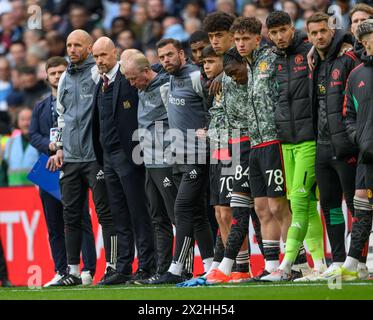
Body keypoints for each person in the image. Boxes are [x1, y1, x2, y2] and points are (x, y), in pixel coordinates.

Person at [264, 11, 327, 282]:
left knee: (300, 200)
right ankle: (321, 265)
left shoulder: (310, 50)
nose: (279, 37)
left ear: (292, 28)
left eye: (283, 31)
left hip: (309, 139)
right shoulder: (271, 59)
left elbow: (341, 41)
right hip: (285, 141)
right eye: (274, 32)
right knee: (306, 203)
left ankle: (287, 264)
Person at [53, 30, 117, 286]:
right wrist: (58, 147)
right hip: (70, 158)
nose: (71, 49)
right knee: (70, 215)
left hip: (94, 157)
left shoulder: (97, 74)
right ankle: (73, 271)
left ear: (89, 48)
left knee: (105, 213)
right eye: (68, 45)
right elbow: (61, 115)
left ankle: (112, 266)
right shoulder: (64, 78)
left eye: (77, 45)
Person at [91, 38, 155, 285]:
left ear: (115, 53)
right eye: (96, 56)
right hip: (107, 157)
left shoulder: (127, 79)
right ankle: (123, 266)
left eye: (103, 55)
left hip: (129, 156)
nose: (99, 60)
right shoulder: (101, 84)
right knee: (118, 214)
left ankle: (147, 265)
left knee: (139, 212)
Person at [29, 56, 97, 287]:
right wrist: (49, 147)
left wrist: (63, 148)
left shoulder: (77, 98)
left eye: (61, 72)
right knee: (54, 224)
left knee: (81, 218)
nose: (57, 76)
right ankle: (61, 270)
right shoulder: (40, 106)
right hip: (48, 166)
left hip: (75, 161)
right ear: (46, 77)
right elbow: (33, 134)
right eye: (53, 73)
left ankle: (88, 269)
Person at [152, 38, 215, 284]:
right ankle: (210, 265)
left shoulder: (197, 77)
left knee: (181, 209)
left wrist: (208, 130)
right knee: (197, 214)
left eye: (169, 55)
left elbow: (214, 106)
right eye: (161, 57)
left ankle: (176, 268)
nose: (165, 60)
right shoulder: (168, 79)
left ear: (181, 54)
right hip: (178, 156)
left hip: (197, 155)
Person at [306, 12, 359, 279]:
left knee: (356, 204)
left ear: (331, 30)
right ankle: (338, 259)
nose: (318, 37)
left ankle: (359, 259)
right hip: (322, 145)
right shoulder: (315, 60)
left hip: (346, 146)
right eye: (313, 33)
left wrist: (353, 137)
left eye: (322, 32)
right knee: (330, 205)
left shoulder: (348, 58)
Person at [121, 51, 178, 284]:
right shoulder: (142, 88)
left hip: (166, 160)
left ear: (146, 72)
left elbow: (177, 120)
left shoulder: (166, 87)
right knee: (157, 217)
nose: (132, 84)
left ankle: (182, 267)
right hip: (149, 161)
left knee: (177, 216)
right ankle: (163, 270)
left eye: (134, 78)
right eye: (128, 79)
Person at [323, 19, 373, 281]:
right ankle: (353, 263)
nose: (369, 42)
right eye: (366, 39)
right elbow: (348, 114)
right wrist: (360, 139)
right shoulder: (357, 74)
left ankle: (355, 263)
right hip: (367, 154)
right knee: (361, 206)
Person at [3, 107, 39, 186]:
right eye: (22, 119)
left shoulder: (41, 142)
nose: (26, 123)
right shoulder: (10, 142)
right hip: (13, 192)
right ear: (17, 122)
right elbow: (3, 169)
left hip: (35, 193)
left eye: (29, 119)